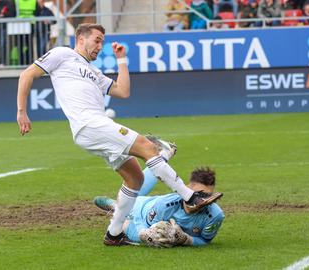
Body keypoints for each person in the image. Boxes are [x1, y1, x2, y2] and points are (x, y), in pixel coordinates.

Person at [16, 23, 223, 246]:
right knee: (148, 147)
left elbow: (123, 91)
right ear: (80, 38)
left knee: (136, 178)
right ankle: (191, 197)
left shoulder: (94, 72)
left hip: (94, 127)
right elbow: (27, 74)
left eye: (102, 42)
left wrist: (121, 59)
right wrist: (21, 111)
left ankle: (114, 234)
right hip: (90, 124)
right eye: (96, 40)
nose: (99, 46)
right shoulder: (62, 54)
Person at [94, 166, 224, 247]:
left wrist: (187, 240)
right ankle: (114, 205)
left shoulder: (214, 216)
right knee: (127, 225)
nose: (203, 200)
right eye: (199, 194)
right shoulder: (166, 205)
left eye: (208, 196)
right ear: (187, 189)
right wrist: (143, 233)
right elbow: (142, 221)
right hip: (141, 209)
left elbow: (205, 241)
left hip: (153, 203)